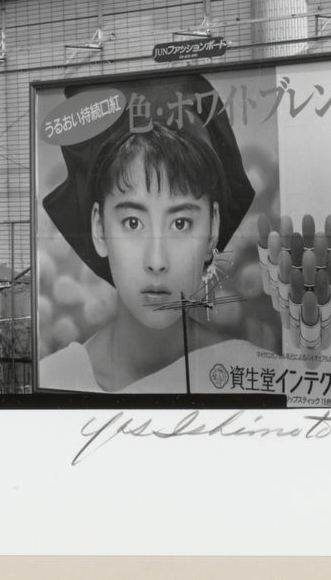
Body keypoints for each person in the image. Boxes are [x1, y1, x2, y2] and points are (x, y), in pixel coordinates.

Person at [38, 74, 266, 394]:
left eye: (180, 223)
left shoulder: (253, 376)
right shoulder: (54, 380)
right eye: (133, 223)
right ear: (99, 228)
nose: (156, 261)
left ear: (212, 228)